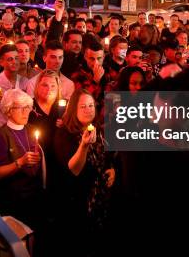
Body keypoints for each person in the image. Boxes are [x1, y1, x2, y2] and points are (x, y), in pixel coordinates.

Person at [52, 89, 115, 253]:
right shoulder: (64, 134)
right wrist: (84, 145)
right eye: (83, 107)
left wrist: (113, 170)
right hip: (78, 201)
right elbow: (74, 169)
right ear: (73, 109)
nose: (88, 110)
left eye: (91, 105)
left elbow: (107, 158)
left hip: (101, 198)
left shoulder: (98, 128)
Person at [0, 89, 45, 231]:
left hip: (34, 196)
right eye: (21, 108)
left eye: (28, 107)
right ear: (9, 110)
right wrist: (20, 162)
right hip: (12, 200)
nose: (26, 112)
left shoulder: (31, 129)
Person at [0, 44, 28, 130]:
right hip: (0, 129)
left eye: (16, 58)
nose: (14, 62)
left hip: (20, 128)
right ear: (1, 62)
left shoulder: (25, 82)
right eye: (10, 59)